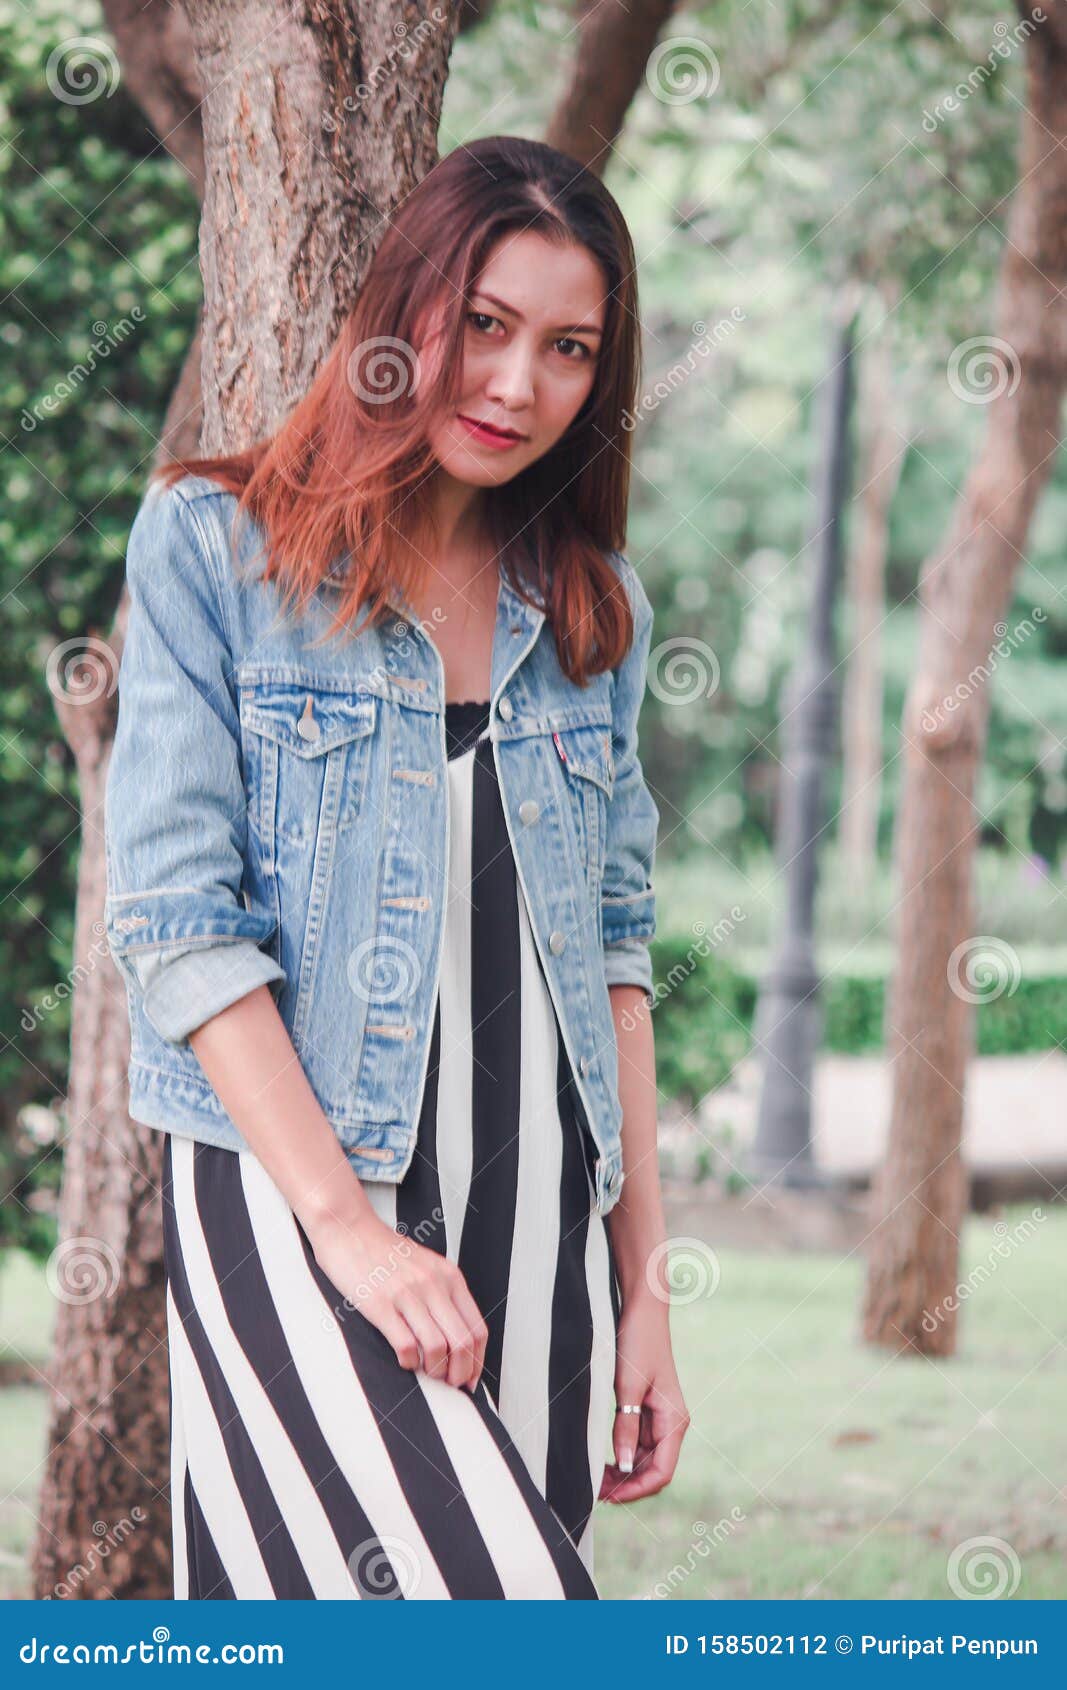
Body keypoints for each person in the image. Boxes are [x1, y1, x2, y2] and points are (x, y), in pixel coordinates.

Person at [104, 134, 689, 1600]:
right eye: (484, 325)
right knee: (507, 1612)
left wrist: (645, 1297)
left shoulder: (590, 607)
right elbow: (178, 924)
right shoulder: (217, 547)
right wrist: (352, 1231)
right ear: (404, 311)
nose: (516, 386)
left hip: (540, 1204)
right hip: (295, 1187)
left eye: (569, 349)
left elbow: (617, 962)